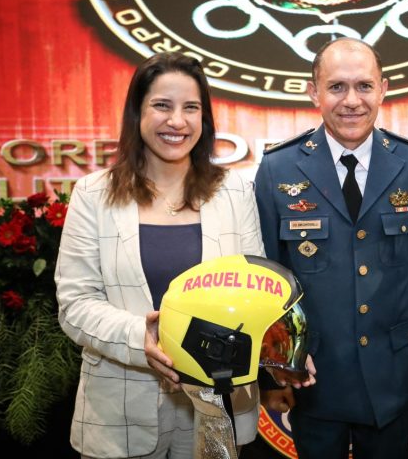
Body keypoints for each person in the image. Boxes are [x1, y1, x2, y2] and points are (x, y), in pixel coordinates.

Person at [55, 52, 265, 458]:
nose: (177, 121)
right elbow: (75, 305)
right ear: (138, 113)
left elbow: (254, 292)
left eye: (191, 108)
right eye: (162, 106)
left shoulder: (235, 191)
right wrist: (142, 338)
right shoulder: (92, 194)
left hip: (216, 407)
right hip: (118, 412)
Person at [254, 37, 408, 459]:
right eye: (337, 86)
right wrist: (274, 369)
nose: (352, 101)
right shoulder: (277, 169)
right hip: (315, 377)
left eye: (364, 86)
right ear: (314, 92)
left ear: (383, 89)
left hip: (392, 376)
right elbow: (267, 278)